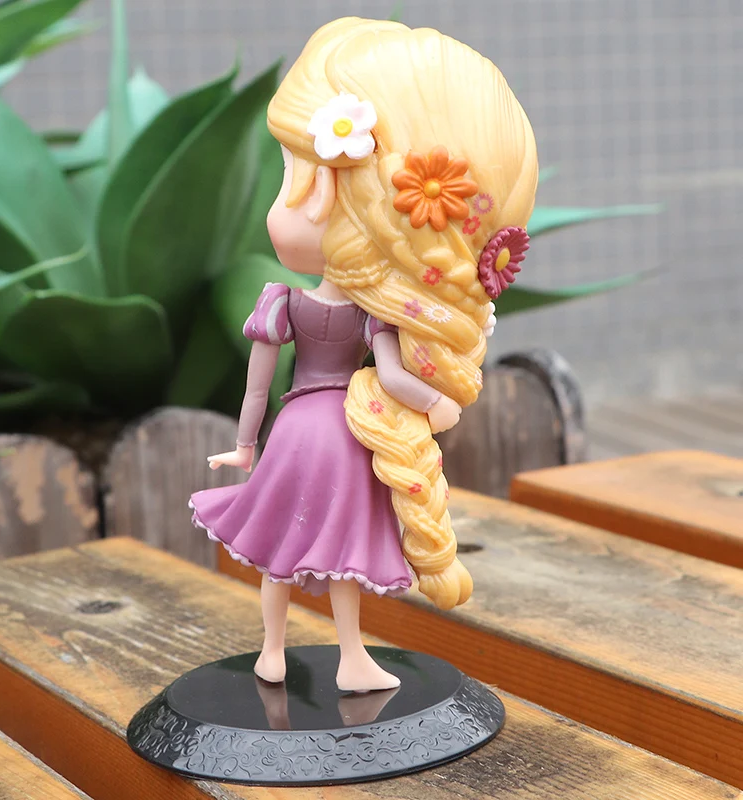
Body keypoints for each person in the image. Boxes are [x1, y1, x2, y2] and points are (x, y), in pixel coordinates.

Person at [189, 17, 538, 692]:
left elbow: (259, 387)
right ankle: (351, 658)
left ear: (328, 189)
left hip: (298, 431)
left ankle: (272, 652)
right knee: (340, 555)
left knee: (282, 551)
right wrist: (434, 403)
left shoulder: (282, 302)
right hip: (349, 433)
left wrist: (244, 447)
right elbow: (396, 377)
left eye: (291, 174)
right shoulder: (371, 316)